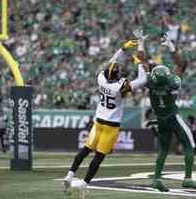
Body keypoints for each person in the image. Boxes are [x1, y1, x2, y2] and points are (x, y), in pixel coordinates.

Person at [62, 36, 148, 198]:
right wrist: (138, 62)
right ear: (117, 75)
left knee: (85, 150)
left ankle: (69, 175)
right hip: (111, 126)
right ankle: (84, 184)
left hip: (98, 122)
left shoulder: (101, 78)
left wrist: (123, 48)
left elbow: (111, 62)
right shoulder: (119, 87)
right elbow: (142, 79)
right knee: (99, 157)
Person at [145, 63, 196, 191]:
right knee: (189, 145)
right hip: (172, 117)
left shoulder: (150, 83)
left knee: (163, 150)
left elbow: (144, 71)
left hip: (160, 119)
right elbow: (178, 71)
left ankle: (157, 179)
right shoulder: (172, 84)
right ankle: (188, 179)